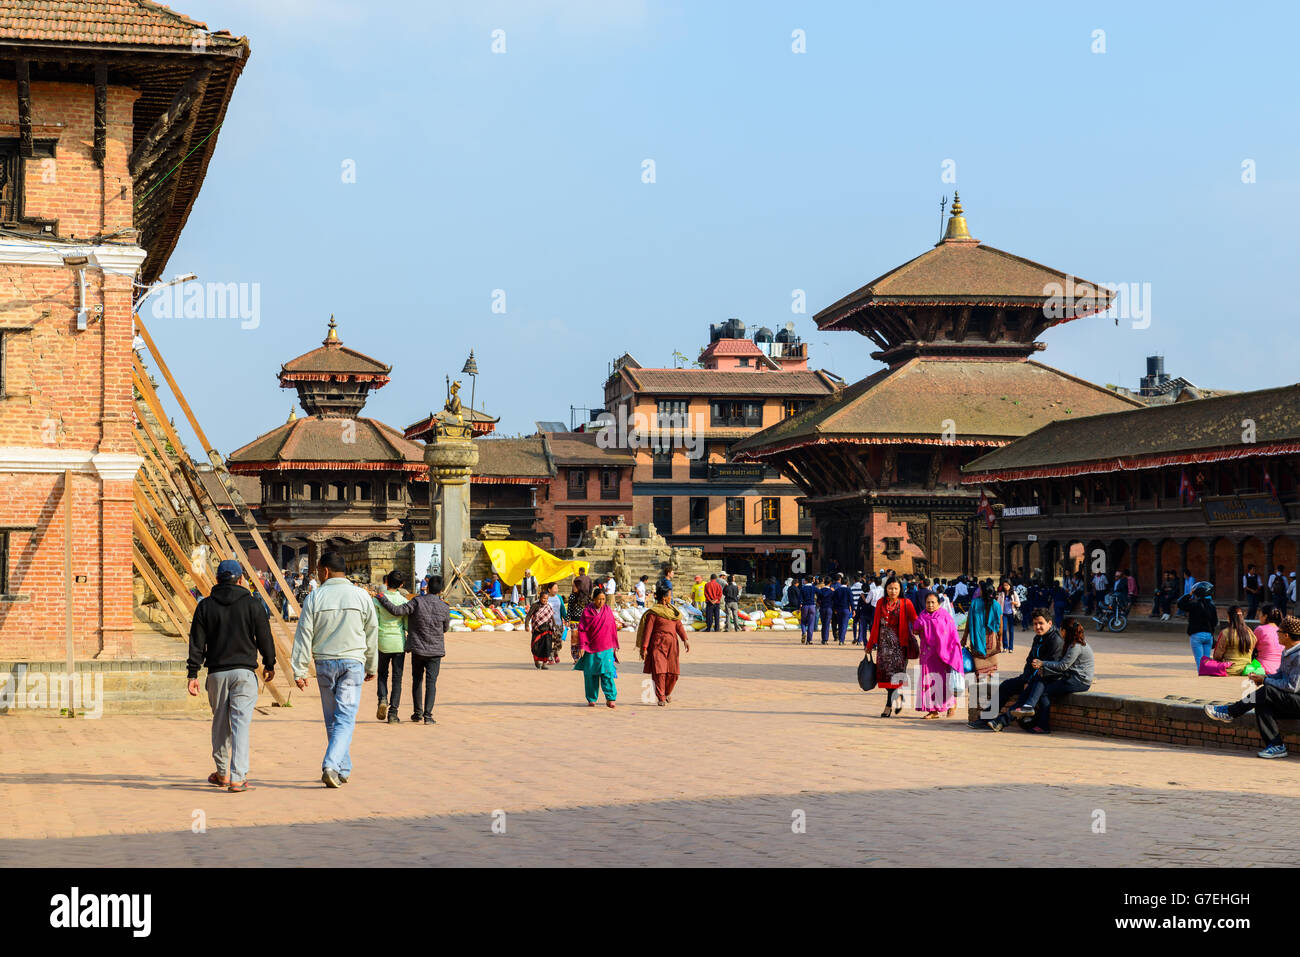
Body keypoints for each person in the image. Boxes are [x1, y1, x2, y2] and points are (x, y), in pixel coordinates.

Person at [186, 559, 275, 793]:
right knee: (240, 725)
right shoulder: (252, 603)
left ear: (216, 580)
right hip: (244, 673)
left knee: (219, 724)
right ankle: (238, 777)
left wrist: (193, 673)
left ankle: (222, 773)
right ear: (241, 579)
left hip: (216, 673)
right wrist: (269, 663)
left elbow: (196, 642)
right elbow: (264, 636)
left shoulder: (205, 606)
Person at [291, 550, 378, 788]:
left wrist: (299, 670)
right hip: (352, 666)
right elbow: (372, 632)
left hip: (325, 665)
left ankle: (341, 768)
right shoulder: (362, 596)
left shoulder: (315, 598)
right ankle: (332, 765)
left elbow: (303, 635)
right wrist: (372, 664)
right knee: (346, 717)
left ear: (325, 571)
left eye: (318, 571)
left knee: (333, 719)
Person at [1204, 615, 1300, 758]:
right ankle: (1276, 745)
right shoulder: (1286, 651)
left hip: (1297, 700)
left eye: (1278, 632)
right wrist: (1263, 677)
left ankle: (1230, 711)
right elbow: (1280, 675)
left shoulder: (1298, 656)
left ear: (1286, 635)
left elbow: (1292, 686)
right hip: (1290, 700)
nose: (1277, 634)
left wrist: (1265, 681)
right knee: (1261, 702)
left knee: (1266, 691)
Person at [374, 574, 451, 724]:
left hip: (418, 649)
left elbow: (397, 611)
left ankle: (417, 712)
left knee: (417, 679)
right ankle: (428, 716)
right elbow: (445, 627)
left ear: (427, 587)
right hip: (435, 650)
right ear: (441, 590)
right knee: (431, 682)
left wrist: (382, 598)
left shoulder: (417, 602)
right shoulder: (444, 606)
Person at [979, 609, 1065, 732]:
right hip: (1033, 677)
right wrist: (1026, 679)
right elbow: (1030, 661)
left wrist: (1029, 681)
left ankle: (1001, 721)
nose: (1038, 627)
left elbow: (1048, 666)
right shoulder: (1038, 638)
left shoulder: (1055, 641)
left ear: (1049, 623)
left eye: (1041, 623)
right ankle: (985, 718)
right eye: (1035, 624)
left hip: (1047, 678)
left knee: (1025, 696)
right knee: (1007, 685)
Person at [1004, 619, 1094, 732]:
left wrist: (1043, 663)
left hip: (1079, 681)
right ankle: (1030, 707)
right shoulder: (1072, 644)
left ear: (1064, 631)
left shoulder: (1075, 646)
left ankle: (1042, 725)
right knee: (1042, 680)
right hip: (1071, 677)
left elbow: (1063, 666)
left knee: (1043, 692)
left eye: (1061, 629)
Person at [867, 578, 915, 717]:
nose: (893, 591)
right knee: (885, 675)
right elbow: (876, 624)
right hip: (883, 646)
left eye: (896, 588)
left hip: (900, 646)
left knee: (896, 675)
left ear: (900, 589)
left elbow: (915, 620)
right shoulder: (881, 603)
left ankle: (888, 705)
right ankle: (898, 697)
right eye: (890, 588)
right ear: (885, 589)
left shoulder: (906, 603)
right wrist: (870, 644)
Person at [911, 591, 963, 718]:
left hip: (943, 655)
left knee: (943, 680)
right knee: (928, 681)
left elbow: (952, 636)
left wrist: (953, 652)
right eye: (928, 602)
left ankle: (951, 703)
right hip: (927, 655)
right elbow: (915, 630)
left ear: (938, 604)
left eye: (933, 602)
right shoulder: (922, 615)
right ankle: (932, 710)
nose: (930, 605)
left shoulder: (944, 616)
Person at [636, 584, 690, 705]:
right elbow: (648, 631)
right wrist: (644, 647)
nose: (671, 598)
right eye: (670, 596)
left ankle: (667, 692)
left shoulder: (673, 612)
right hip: (657, 644)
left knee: (673, 672)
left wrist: (685, 639)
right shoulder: (653, 613)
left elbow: (678, 626)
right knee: (659, 671)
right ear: (664, 598)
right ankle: (661, 697)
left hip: (672, 645)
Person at [574, 588, 620, 707]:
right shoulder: (587, 612)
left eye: (603, 599)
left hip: (606, 647)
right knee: (590, 674)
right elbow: (582, 630)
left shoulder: (608, 611)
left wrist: (614, 644)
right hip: (591, 647)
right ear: (593, 599)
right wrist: (582, 645)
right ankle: (591, 698)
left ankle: (610, 698)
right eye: (599, 599)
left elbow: (612, 628)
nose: (601, 601)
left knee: (607, 673)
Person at [373, 570, 408, 723]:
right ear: (401, 585)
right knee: (397, 678)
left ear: (386, 582)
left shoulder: (378, 600)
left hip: (382, 641)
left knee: (382, 674)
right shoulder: (403, 601)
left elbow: (374, 622)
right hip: (398, 642)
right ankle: (393, 713)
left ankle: (382, 699)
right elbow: (406, 625)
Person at [1177, 581, 1217, 668]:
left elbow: (1180, 604)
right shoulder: (1212, 606)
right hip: (1208, 635)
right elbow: (1215, 622)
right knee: (1206, 661)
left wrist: (1189, 594)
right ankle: (1206, 677)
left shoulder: (1193, 605)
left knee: (1199, 661)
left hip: (1197, 635)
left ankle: (1202, 676)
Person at [1211, 605, 1257, 676]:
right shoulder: (1250, 632)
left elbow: (1217, 656)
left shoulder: (1225, 633)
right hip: (1247, 670)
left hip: (1229, 670)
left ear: (1229, 617)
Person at [525, 581, 562, 669]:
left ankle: (545, 663)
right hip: (537, 630)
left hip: (547, 630)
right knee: (535, 647)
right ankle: (536, 660)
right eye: (543, 599)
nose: (545, 600)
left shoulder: (548, 606)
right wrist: (527, 625)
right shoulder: (535, 605)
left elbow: (551, 616)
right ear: (540, 598)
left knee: (547, 647)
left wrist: (555, 626)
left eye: (546, 599)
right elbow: (529, 615)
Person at [1255, 606, 1284, 674]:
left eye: (1260, 614)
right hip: (1280, 669)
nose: (1259, 616)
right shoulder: (1281, 631)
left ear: (1265, 616)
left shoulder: (1260, 629)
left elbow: (1251, 647)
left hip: (1263, 668)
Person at [831, 574, 852, 645]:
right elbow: (851, 600)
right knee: (844, 624)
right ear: (847, 583)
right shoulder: (848, 590)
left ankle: (840, 638)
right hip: (846, 609)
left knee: (840, 624)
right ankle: (841, 640)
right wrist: (853, 609)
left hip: (838, 609)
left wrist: (835, 609)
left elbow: (834, 600)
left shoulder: (837, 590)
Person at [998, 580, 1019, 652]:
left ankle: (1011, 648)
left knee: (1011, 631)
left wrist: (1014, 602)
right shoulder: (1001, 594)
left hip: (1011, 614)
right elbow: (998, 604)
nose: (1006, 587)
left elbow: (1019, 603)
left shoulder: (1014, 593)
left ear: (1010, 585)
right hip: (1003, 614)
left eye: (1007, 585)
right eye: (1004, 585)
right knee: (1003, 630)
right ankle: (1005, 646)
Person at [798, 576, 818, 645]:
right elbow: (820, 593)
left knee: (803, 621)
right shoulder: (813, 588)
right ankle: (809, 640)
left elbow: (800, 599)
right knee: (811, 623)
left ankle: (804, 632)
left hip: (805, 606)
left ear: (806, 581)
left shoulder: (802, 588)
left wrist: (799, 607)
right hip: (812, 606)